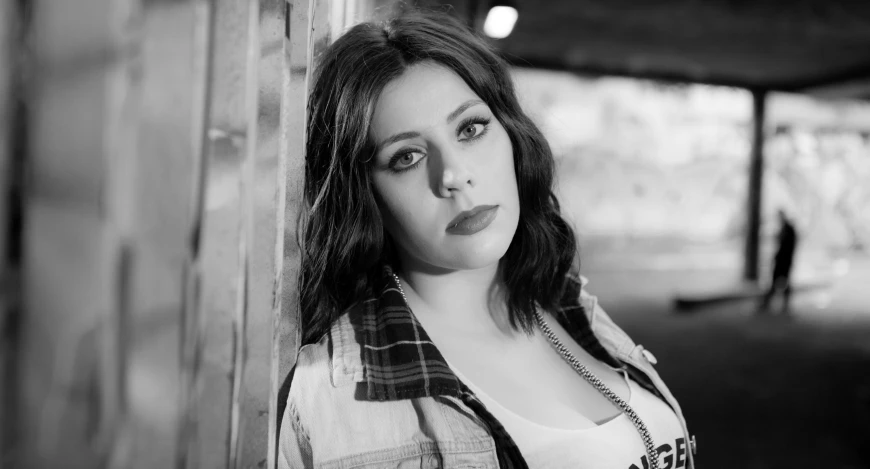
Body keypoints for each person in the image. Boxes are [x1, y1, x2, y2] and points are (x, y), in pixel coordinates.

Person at [279, 9, 695, 469]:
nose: (454, 175)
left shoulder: (572, 305)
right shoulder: (330, 402)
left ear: (512, 136)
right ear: (367, 195)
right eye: (407, 157)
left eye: (470, 129)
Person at [759, 209, 799, 314]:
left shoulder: (788, 230)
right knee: (779, 282)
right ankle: (771, 303)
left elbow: (786, 247)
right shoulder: (786, 229)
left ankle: (769, 303)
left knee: (779, 282)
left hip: (784, 261)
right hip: (783, 260)